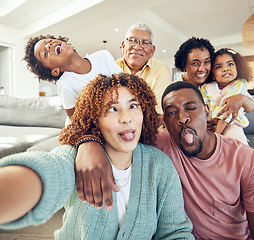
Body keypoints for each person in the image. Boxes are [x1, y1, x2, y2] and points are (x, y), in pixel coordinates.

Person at [74, 81, 254, 239]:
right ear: (164, 122)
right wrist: (88, 143)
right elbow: (110, 131)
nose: (182, 118)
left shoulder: (245, 158)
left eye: (190, 107)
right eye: (172, 112)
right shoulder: (159, 145)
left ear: (207, 112)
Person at [0, 74, 194, 239]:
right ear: (95, 119)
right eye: (112, 109)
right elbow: (51, 170)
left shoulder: (160, 165)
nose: (126, 118)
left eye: (133, 106)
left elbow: (176, 232)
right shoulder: (75, 156)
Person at [23, 34, 121, 122]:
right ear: (55, 71)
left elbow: (124, 85)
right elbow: (74, 119)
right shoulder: (65, 84)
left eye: (50, 41)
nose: (49, 45)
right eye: (45, 54)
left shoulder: (103, 56)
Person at [174, 37, 254, 131]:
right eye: (195, 63)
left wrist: (242, 98)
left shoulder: (220, 83)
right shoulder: (176, 89)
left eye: (207, 62)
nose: (202, 69)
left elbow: (250, 107)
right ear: (184, 65)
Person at [117, 22, 173, 115]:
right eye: (132, 40)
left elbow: (159, 114)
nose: (137, 47)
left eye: (144, 42)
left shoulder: (161, 69)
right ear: (123, 46)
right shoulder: (111, 68)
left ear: (152, 51)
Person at [200, 48, 253, 144]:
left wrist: (216, 135)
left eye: (230, 64)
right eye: (218, 67)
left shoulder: (239, 85)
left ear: (237, 67)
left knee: (236, 144)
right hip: (210, 125)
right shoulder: (206, 88)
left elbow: (227, 111)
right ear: (213, 75)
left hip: (231, 124)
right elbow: (203, 106)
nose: (225, 69)